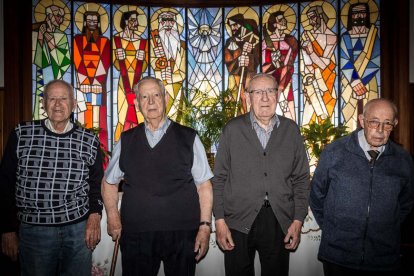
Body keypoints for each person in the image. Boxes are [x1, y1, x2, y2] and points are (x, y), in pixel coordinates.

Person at [101, 76, 213, 276]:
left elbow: (204, 185)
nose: (151, 102)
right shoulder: (126, 140)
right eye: (144, 97)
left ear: (166, 98)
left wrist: (205, 227)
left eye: (156, 95)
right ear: (137, 104)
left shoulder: (189, 137)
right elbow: (109, 182)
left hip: (181, 233)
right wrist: (112, 216)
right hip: (136, 234)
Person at [0, 79, 104, 275]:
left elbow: (96, 183)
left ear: (74, 104)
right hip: (34, 231)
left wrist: (94, 216)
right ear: (43, 103)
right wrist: (6, 228)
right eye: (52, 98)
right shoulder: (22, 134)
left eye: (63, 98)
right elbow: (5, 182)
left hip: (78, 230)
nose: (57, 104)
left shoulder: (89, 140)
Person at [213, 73, 310, 276]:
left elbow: (301, 179)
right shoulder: (232, 130)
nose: (265, 98)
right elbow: (220, 178)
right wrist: (220, 221)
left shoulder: (291, 131)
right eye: (258, 92)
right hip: (238, 221)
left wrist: (298, 220)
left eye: (270, 91)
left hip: (278, 220)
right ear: (248, 97)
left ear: (278, 95)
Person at [310, 98, 414, 276]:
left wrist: (385, 227)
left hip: (383, 258)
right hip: (338, 256)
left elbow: (406, 203)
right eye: (374, 122)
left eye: (387, 124)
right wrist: (333, 229)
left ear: (394, 124)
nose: (380, 130)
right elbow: (316, 195)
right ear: (361, 120)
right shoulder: (334, 152)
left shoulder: (403, 160)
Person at [73, 9, 111, 152]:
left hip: (98, 84)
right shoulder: (77, 39)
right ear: (84, 22)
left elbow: (105, 61)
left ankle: (97, 148)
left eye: (95, 21)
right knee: (83, 111)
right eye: (89, 21)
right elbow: (78, 60)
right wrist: (84, 81)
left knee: (96, 113)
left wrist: (96, 81)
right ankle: (82, 146)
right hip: (82, 82)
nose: (92, 24)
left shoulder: (104, 41)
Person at [341, 2, 380, 129]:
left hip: (369, 80)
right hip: (349, 81)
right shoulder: (345, 36)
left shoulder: (372, 35)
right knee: (349, 114)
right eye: (355, 14)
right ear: (351, 17)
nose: (359, 16)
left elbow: (375, 60)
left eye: (362, 13)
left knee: (372, 113)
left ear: (367, 15)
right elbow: (344, 59)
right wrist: (354, 81)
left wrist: (362, 82)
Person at [113, 7, 148, 141]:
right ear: (126, 22)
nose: (136, 23)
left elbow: (144, 65)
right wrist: (117, 59)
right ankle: (120, 142)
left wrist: (142, 60)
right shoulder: (116, 40)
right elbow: (113, 62)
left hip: (138, 82)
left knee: (139, 113)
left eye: (137, 20)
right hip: (123, 82)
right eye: (133, 20)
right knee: (122, 114)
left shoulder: (142, 42)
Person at [301, 4, 337, 125]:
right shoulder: (306, 35)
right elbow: (305, 63)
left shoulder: (331, 37)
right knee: (309, 114)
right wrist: (305, 85)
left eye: (313, 17)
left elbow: (324, 65)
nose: (311, 22)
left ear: (321, 16)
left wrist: (311, 51)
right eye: (309, 18)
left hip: (326, 80)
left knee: (326, 111)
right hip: (311, 80)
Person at [32, 3, 71, 120]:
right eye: (57, 16)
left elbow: (65, 61)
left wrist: (49, 39)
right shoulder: (39, 31)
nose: (60, 19)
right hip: (41, 74)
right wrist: (40, 36)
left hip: (55, 74)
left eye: (62, 17)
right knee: (41, 104)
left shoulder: (62, 35)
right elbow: (37, 58)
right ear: (49, 16)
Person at [262, 9, 298, 120]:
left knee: (289, 106)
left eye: (284, 19)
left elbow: (291, 63)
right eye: (280, 20)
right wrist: (274, 63)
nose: (284, 22)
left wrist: (283, 81)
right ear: (274, 24)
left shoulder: (291, 40)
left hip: (286, 79)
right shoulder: (265, 43)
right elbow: (263, 69)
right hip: (271, 82)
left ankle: (292, 132)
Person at [150, 10, 186, 117]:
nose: (167, 24)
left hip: (177, 86)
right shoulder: (153, 43)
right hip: (159, 86)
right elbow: (152, 62)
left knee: (178, 116)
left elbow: (183, 70)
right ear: (159, 22)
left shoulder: (183, 45)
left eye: (171, 20)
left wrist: (172, 78)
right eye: (164, 20)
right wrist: (157, 63)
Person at [224, 13, 260, 114]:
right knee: (237, 99)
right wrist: (239, 60)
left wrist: (249, 58)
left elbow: (257, 59)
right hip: (235, 76)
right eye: (231, 26)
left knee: (249, 99)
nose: (233, 28)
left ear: (242, 25)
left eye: (235, 25)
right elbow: (228, 60)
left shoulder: (252, 40)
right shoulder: (230, 41)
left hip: (249, 76)